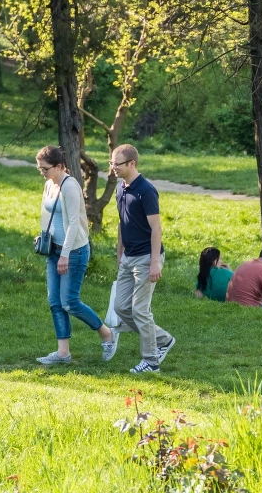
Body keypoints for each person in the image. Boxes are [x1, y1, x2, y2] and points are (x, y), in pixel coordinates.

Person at [35, 145, 116, 365]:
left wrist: (65, 255)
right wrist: (44, 238)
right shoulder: (49, 185)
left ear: (59, 166)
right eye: (40, 168)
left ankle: (107, 334)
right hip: (54, 250)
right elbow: (47, 215)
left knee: (69, 302)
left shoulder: (70, 186)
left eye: (45, 168)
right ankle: (63, 353)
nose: (42, 172)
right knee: (55, 301)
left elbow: (72, 223)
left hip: (74, 251)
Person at [109, 144, 176, 374]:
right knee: (121, 308)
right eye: (111, 163)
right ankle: (163, 339)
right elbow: (122, 222)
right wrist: (119, 253)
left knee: (140, 310)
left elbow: (156, 228)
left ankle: (151, 362)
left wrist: (155, 261)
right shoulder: (120, 188)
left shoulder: (146, 190)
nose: (113, 168)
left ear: (132, 164)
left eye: (116, 164)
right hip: (128, 257)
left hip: (147, 257)